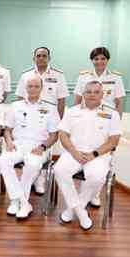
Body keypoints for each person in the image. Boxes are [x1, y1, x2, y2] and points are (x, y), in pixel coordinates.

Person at [54, 81, 121, 230]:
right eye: (88, 92)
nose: (92, 95)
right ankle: (81, 212)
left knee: (97, 177)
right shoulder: (72, 111)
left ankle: (72, 209)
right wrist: (74, 151)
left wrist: (94, 154)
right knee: (59, 170)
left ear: (102, 94)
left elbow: (113, 140)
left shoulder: (112, 114)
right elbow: (63, 134)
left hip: (98, 155)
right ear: (83, 94)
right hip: (73, 152)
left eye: (96, 92)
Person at [0, 75, 60, 219]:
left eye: (36, 86)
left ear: (41, 88)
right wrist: (9, 142)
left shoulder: (50, 108)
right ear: (26, 88)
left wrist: (43, 147)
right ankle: (21, 202)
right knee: (2, 160)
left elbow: (54, 135)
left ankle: (17, 201)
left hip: (39, 146)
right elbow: (7, 129)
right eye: (30, 86)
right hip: (18, 143)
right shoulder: (16, 106)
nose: (33, 89)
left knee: (32, 165)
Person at [73, 47, 125, 208]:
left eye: (102, 58)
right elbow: (77, 99)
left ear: (107, 60)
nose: (99, 61)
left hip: (106, 123)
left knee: (101, 159)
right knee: (85, 156)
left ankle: (94, 195)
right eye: (96, 59)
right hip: (86, 120)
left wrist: (116, 125)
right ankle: (84, 195)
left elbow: (119, 102)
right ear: (92, 60)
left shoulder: (115, 78)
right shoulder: (84, 77)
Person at [15, 47, 68, 195]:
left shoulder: (58, 75)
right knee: (29, 151)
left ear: (49, 58)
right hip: (29, 118)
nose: (41, 58)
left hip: (48, 119)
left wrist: (59, 123)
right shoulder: (26, 75)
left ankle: (40, 180)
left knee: (45, 150)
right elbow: (20, 97)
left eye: (44, 56)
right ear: (34, 58)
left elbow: (61, 100)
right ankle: (28, 180)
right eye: (38, 56)